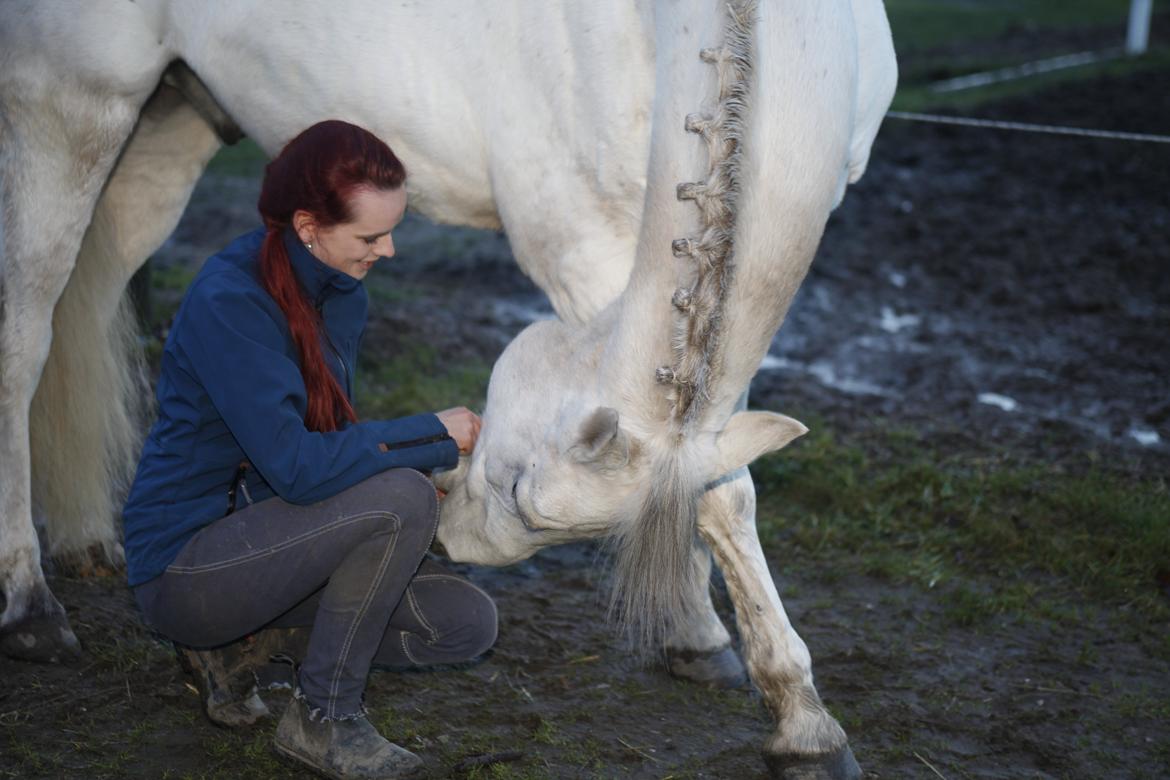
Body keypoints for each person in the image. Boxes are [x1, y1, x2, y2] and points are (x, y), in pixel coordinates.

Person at [122, 120, 497, 780]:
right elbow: (298, 467)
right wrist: (427, 439)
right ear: (307, 227)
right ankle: (322, 721)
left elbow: (321, 449)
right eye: (371, 236)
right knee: (402, 498)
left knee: (465, 622)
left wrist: (398, 464)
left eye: (391, 230)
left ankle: (245, 652)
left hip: (270, 549)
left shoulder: (339, 294)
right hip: (186, 570)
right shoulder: (230, 302)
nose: (390, 251)